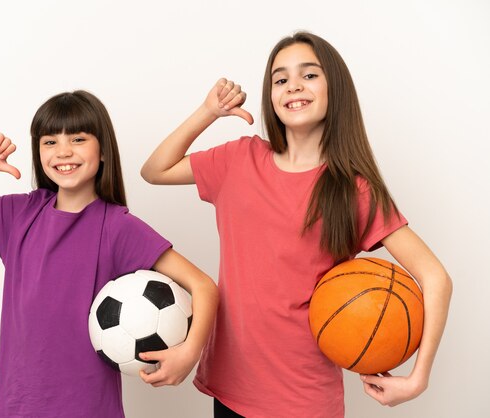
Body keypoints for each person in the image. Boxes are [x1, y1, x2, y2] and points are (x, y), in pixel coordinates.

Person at [140, 32, 452, 418]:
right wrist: (208, 112)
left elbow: (435, 277)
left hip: (304, 400)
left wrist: (418, 378)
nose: (294, 87)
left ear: (334, 88)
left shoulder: (352, 190)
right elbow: (155, 170)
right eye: (280, 79)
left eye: (309, 75)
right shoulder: (240, 159)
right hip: (231, 391)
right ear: (270, 96)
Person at [0, 90, 219, 418]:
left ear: (102, 151)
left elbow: (203, 286)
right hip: (15, 407)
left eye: (77, 139)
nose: (63, 152)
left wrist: (189, 353)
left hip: (88, 410)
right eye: (50, 142)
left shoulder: (116, 227)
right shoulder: (20, 214)